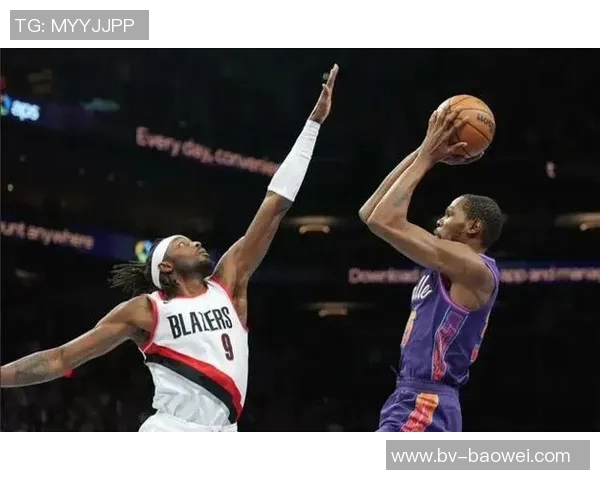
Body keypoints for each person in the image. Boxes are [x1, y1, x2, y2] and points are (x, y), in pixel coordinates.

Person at [0, 64, 339, 432]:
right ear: (166, 268)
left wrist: (313, 125)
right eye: (183, 243)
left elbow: (275, 204)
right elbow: (62, 358)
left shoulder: (228, 283)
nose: (196, 242)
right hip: (171, 432)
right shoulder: (147, 310)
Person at [359, 108, 503, 432]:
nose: (440, 219)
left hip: (427, 402)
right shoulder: (447, 262)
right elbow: (370, 212)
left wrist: (428, 157)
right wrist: (426, 148)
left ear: (474, 226)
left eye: (450, 214)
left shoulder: (474, 269)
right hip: (412, 397)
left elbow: (383, 219)